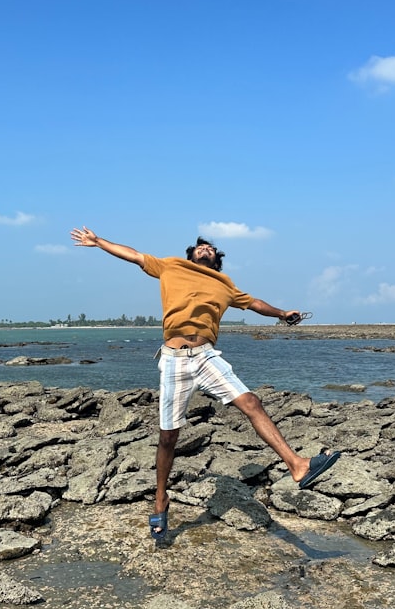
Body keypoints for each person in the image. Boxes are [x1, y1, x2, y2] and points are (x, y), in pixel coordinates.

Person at [70, 226, 340, 542]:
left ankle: (298, 466)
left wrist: (282, 314)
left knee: (251, 402)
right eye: (200, 247)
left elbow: (254, 303)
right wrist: (98, 241)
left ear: (217, 259)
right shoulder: (170, 266)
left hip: (206, 355)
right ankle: (160, 499)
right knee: (168, 437)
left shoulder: (224, 284)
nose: (205, 248)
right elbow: (133, 255)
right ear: (191, 253)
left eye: (210, 248)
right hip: (173, 357)